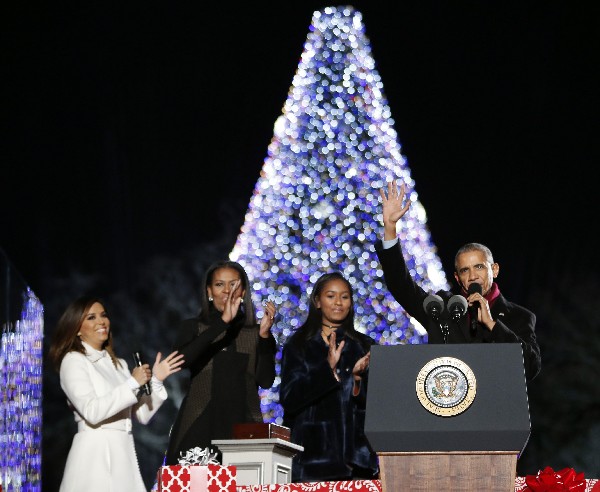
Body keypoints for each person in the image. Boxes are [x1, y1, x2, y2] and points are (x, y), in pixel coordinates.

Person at [375, 180, 541, 381]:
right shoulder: (440, 307)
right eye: (465, 270)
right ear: (457, 277)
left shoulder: (519, 317)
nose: (472, 276)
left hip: (493, 409)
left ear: (494, 269)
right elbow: (401, 285)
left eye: (479, 267)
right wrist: (390, 228)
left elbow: (530, 368)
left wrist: (492, 324)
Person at [47, 295, 184, 492]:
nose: (101, 321)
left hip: (123, 456)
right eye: (91, 317)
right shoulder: (74, 360)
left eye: (103, 315)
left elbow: (142, 415)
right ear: (76, 329)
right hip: (95, 458)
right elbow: (92, 412)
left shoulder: (119, 364)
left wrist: (156, 379)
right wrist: (133, 382)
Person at [165, 260, 277, 465]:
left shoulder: (256, 333)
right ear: (209, 291)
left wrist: (264, 337)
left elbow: (266, 380)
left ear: (243, 291)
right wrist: (222, 323)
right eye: (219, 285)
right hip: (199, 425)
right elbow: (180, 361)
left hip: (245, 429)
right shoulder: (194, 328)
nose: (227, 290)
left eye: (233, 284)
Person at [279, 271, 379, 482]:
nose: (338, 303)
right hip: (313, 462)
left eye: (344, 296)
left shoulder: (366, 346)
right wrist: (327, 370)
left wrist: (357, 380)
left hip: (357, 463)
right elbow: (290, 399)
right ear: (317, 301)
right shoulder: (298, 345)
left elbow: (378, 406)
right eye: (331, 296)